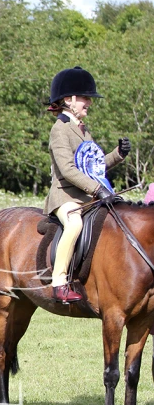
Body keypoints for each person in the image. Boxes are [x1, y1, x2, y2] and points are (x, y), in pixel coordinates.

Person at [44, 66, 131, 303]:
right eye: (85, 98)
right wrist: (97, 189)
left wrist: (118, 154)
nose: (89, 103)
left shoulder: (82, 130)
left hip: (88, 197)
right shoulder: (59, 130)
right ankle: (59, 283)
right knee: (74, 225)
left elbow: (94, 167)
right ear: (69, 100)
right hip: (65, 197)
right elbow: (67, 170)